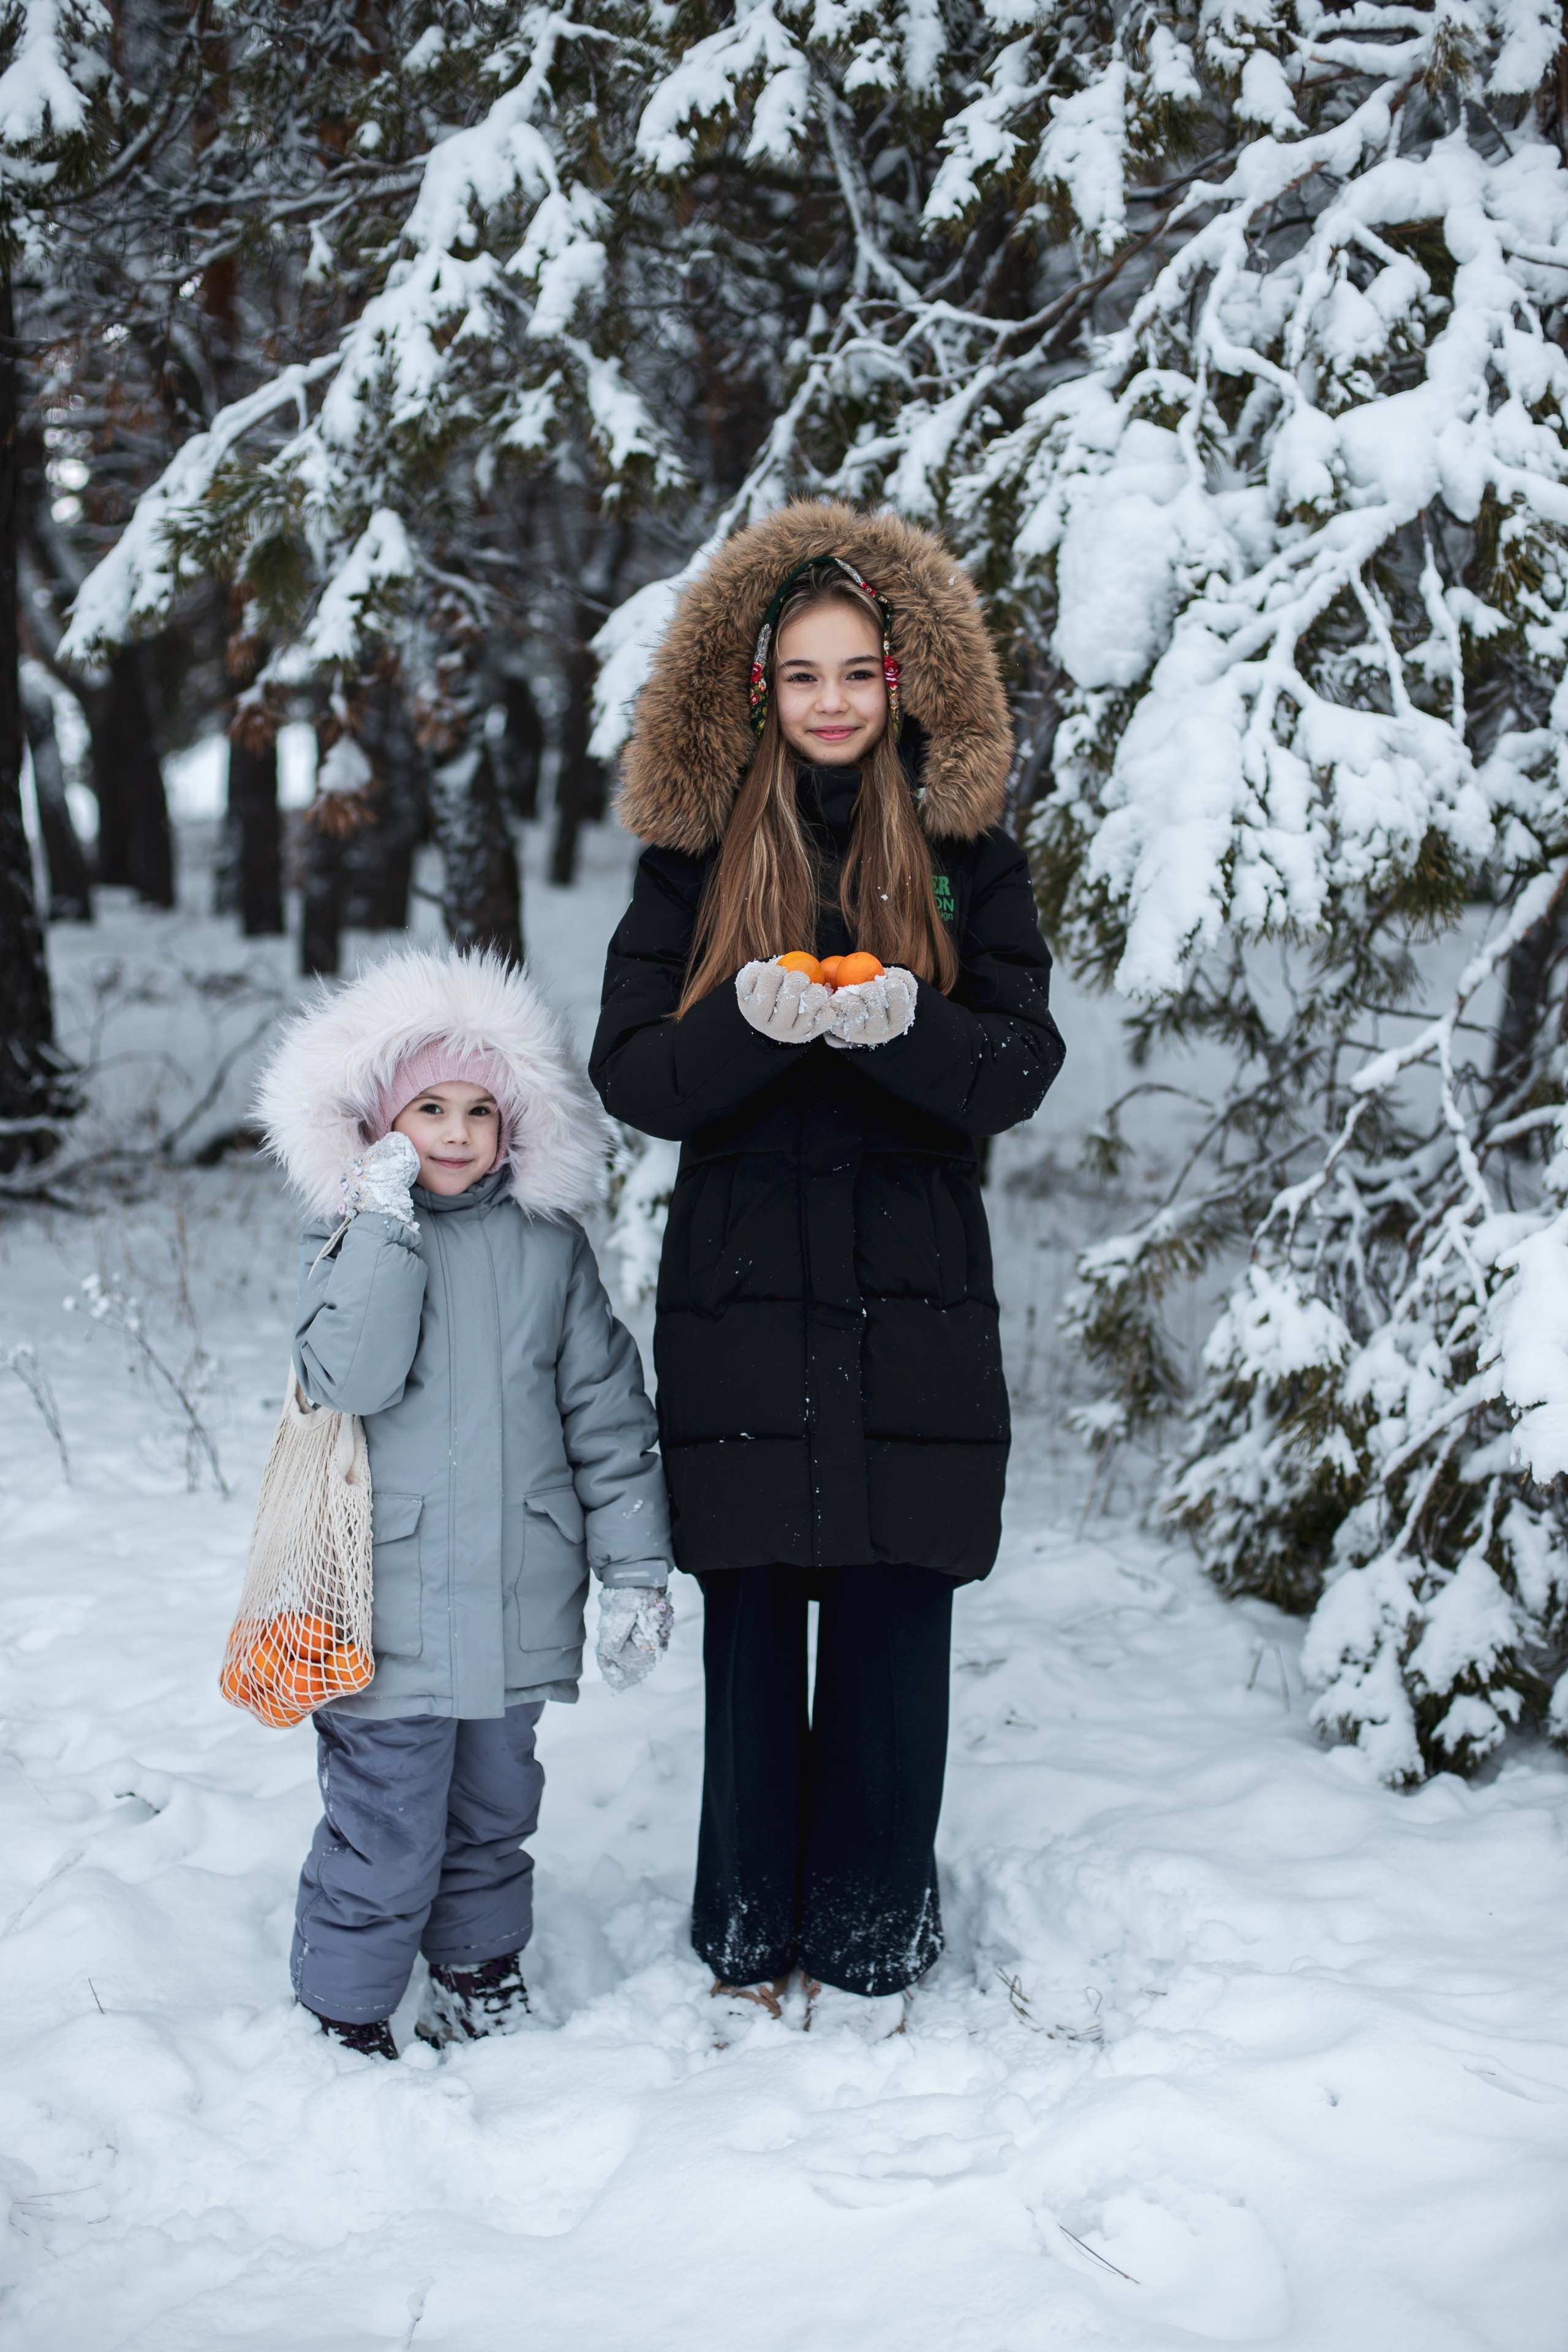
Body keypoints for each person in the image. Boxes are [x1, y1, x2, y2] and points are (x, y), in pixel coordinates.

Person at [590, 500, 1065, 2035]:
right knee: (750, 1634)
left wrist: (907, 1027)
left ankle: (868, 1940)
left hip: (910, 1298)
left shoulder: (967, 853)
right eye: (802, 674)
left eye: (858, 671)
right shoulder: (689, 860)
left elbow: (1016, 1063)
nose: (833, 701)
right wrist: (747, 1023)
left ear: (902, 680)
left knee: (888, 1620)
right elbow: (634, 1075)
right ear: (757, 689)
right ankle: (745, 1933)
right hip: (739, 1299)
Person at [256, 945, 675, 2057]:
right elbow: (348, 1377)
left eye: (478, 1111)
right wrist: (381, 1227)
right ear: (379, 1124)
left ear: (514, 1124)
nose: (454, 1133)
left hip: (514, 1598)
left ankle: (478, 1971)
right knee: (385, 1827)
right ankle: (345, 2009)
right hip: (379, 1605)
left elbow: (608, 1418)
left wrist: (636, 1570)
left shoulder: (550, 1250)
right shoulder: (348, 1240)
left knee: (494, 1814)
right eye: (427, 1110)